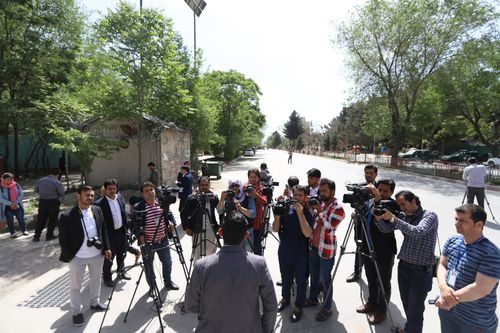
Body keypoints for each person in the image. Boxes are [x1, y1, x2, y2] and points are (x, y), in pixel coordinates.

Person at [185, 211, 277, 333]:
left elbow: (191, 305)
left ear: (220, 232)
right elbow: (271, 306)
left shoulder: (202, 266)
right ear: (246, 235)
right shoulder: (259, 264)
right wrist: (264, 330)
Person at [375, 190, 438, 333]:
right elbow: (386, 229)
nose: (401, 208)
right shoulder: (404, 216)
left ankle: (411, 329)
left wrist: (395, 219)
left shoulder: (429, 216)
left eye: (403, 204)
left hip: (420, 271)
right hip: (404, 267)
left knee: (415, 311)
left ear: (414, 202)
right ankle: (409, 329)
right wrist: (378, 218)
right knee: (408, 305)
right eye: (399, 205)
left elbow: (418, 232)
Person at [435, 204, 500, 333]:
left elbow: (481, 288)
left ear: (479, 224)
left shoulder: (491, 253)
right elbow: (442, 265)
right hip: (449, 313)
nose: (457, 223)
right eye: (456, 219)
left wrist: (447, 299)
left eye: (463, 220)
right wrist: (443, 287)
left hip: (475, 322)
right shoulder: (453, 241)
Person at [58, 185, 112, 327]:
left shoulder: (97, 210)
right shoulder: (67, 215)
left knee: (96, 281)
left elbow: (103, 230)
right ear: (78, 195)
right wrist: (70, 256)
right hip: (77, 257)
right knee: (75, 286)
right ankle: (76, 312)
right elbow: (63, 239)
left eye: (92, 195)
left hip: (96, 254)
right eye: (87, 195)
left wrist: (106, 248)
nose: (90, 198)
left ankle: (95, 303)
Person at [355, 179, 398, 325]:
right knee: (371, 277)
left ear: (392, 192)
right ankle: (371, 303)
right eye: (380, 189)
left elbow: (388, 222)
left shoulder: (392, 204)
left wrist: (378, 198)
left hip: (384, 250)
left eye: (386, 191)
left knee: (383, 281)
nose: (382, 193)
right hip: (368, 246)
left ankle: (381, 310)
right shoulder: (370, 202)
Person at [272, 185, 313, 323]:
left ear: (305, 197)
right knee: (285, 277)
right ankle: (285, 299)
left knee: (301, 280)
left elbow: (308, 233)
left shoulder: (307, 212)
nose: (297, 198)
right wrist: (277, 214)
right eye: (295, 195)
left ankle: (298, 306)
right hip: (284, 250)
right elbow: (275, 228)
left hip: (300, 253)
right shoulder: (285, 209)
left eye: (300, 195)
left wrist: (300, 214)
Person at [307, 178, 346, 321]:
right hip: (314, 247)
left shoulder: (338, 208)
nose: (321, 194)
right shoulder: (321, 203)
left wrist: (319, 210)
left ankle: (327, 308)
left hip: (326, 249)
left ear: (332, 191)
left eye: (325, 191)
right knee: (314, 275)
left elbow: (329, 228)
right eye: (320, 191)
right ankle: (313, 299)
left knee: (325, 280)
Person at [134, 182, 179, 291]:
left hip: (162, 239)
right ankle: (152, 287)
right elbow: (134, 225)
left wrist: (171, 223)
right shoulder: (139, 207)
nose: (150, 192)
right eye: (146, 191)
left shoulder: (160, 203)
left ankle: (168, 282)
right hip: (148, 242)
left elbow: (169, 214)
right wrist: (139, 236)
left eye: (151, 189)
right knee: (149, 266)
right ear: (142, 194)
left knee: (167, 261)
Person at [94, 179, 130, 287]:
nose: (112, 191)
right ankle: (107, 277)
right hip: (109, 235)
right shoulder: (99, 204)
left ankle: (121, 271)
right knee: (109, 257)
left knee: (122, 253)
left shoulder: (120, 198)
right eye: (110, 189)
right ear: (105, 189)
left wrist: (127, 230)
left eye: (114, 188)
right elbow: (98, 224)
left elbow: (124, 214)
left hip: (121, 232)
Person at [347, 164, 379, 283]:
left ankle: (373, 272)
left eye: (371, 173)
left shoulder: (380, 187)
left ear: (376, 174)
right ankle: (357, 272)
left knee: (371, 247)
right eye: (366, 173)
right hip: (360, 221)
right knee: (359, 246)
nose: (368, 175)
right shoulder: (359, 187)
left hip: (374, 224)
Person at [181, 176, 220, 261]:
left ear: (209, 185)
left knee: (211, 256)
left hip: (211, 230)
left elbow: (220, 211)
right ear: (198, 185)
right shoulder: (192, 198)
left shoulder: (213, 197)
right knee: (197, 257)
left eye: (206, 185)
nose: (204, 187)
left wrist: (221, 227)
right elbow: (183, 213)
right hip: (196, 229)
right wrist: (186, 228)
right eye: (202, 185)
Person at [217, 179, 256, 252]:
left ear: (240, 186)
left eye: (236, 186)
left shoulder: (247, 197)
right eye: (232, 186)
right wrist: (222, 199)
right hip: (230, 231)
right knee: (231, 255)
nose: (234, 188)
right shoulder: (227, 197)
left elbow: (253, 214)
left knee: (246, 255)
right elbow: (219, 211)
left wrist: (240, 208)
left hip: (246, 231)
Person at [33, 172, 65, 242]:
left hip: (42, 202)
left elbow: (35, 190)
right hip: (53, 202)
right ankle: (49, 235)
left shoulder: (40, 181)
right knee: (52, 219)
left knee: (41, 219)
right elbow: (62, 193)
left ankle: (36, 236)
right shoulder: (56, 181)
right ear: (55, 175)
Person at [246, 168, 268, 255]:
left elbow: (264, 201)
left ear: (258, 178)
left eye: (254, 177)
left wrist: (256, 195)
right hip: (245, 221)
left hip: (257, 222)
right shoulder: (244, 187)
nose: (252, 179)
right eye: (250, 177)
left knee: (256, 245)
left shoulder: (262, 188)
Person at [0, 172, 28, 238]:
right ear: (3, 180)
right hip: (7, 206)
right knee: (10, 220)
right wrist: (10, 204)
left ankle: (24, 230)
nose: (9, 181)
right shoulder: (1, 187)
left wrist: (15, 203)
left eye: (11, 179)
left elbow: (21, 194)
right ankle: (13, 233)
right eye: (7, 179)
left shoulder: (16, 185)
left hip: (17, 205)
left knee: (21, 218)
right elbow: (0, 199)